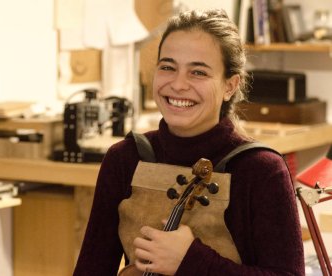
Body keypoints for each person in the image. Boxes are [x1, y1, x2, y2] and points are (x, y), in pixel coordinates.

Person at [74, 9, 304, 276]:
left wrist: (191, 260)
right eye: (168, 67)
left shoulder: (261, 169)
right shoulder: (124, 158)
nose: (178, 84)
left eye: (198, 72)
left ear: (230, 85)